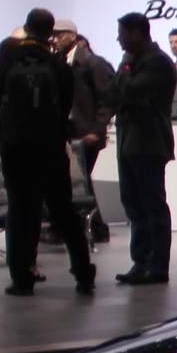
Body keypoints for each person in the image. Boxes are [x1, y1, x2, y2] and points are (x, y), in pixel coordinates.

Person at [0, 8, 95, 297]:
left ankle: (21, 279)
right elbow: (66, 107)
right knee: (63, 211)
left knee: (20, 213)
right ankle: (83, 274)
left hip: (15, 150)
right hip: (50, 150)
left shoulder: (6, 61)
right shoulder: (57, 64)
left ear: (26, 28)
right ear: (49, 32)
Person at [114, 11, 177, 284]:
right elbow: (114, 93)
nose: (119, 39)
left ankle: (157, 266)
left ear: (137, 34)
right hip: (130, 142)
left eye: (123, 33)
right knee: (134, 206)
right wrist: (126, 82)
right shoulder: (134, 61)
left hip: (149, 143)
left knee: (153, 207)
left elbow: (129, 91)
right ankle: (140, 262)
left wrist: (125, 75)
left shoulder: (157, 62)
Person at [54, 18, 117, 245]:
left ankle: (95, 228)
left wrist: (97, 128)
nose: (55, 38)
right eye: (53, 34)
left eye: (60, 34)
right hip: (69, 130)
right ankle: (88, 227)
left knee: (80, 179)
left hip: (86, 132)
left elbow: (108, 99)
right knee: (77, 179)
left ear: (72, 35)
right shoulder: (60, 61)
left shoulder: (92, 63)